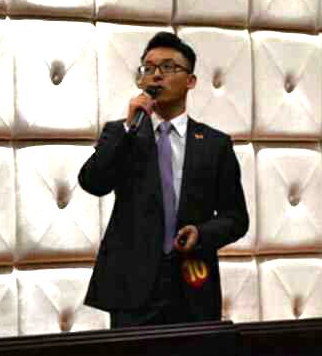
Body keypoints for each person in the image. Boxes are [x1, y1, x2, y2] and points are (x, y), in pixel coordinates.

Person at [78, 32, 249, 328]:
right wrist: (128, 129)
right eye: (148, 68)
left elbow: (236, 218)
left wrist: (201, 233)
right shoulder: (122, 133)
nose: (156, 75)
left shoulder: (215, 144)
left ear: (190, 81)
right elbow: (93, 182)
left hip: (193, 283)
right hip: (132, 288)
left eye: (168, 67)